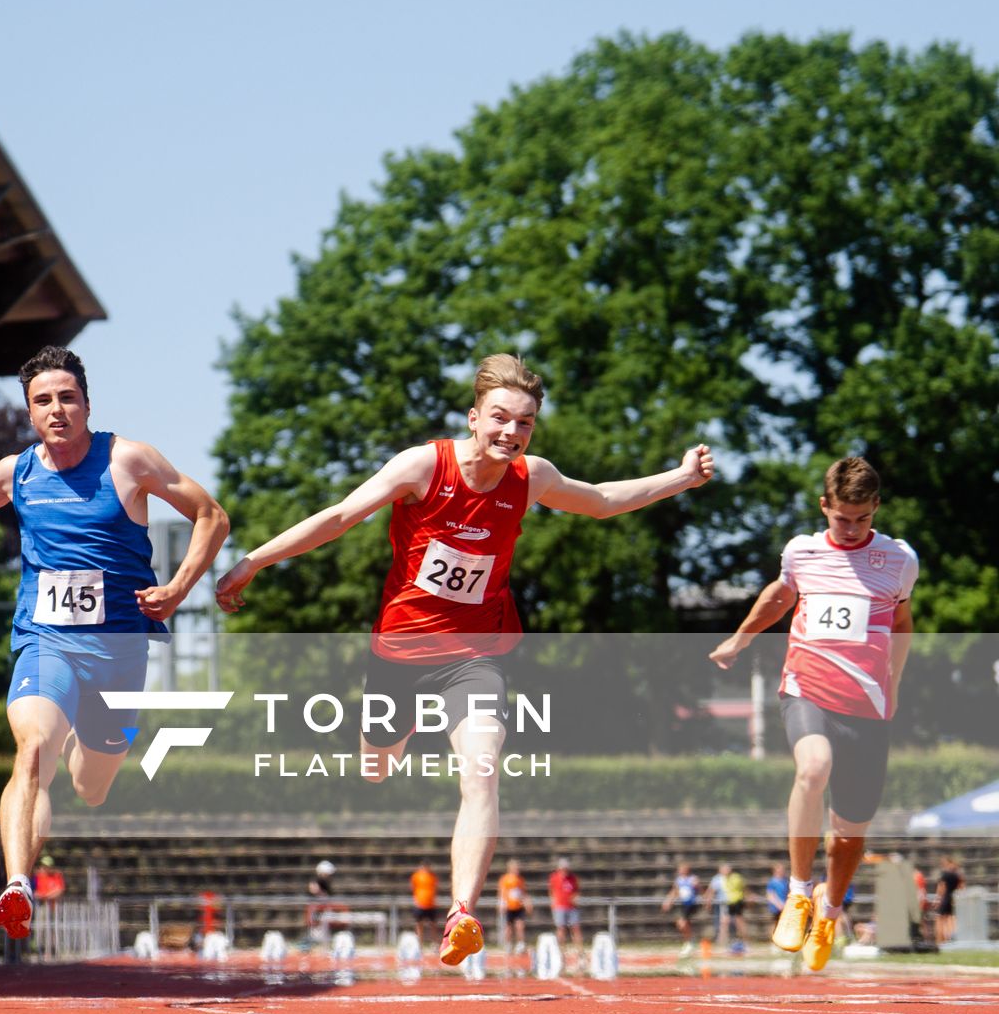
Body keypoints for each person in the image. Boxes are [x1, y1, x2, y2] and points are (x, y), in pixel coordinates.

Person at [216, 353, 714, 968]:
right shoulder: (425, 465)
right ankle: (401, 731)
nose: (512, 432)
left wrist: (681, 476)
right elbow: (342, 515)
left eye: (525, 423)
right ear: (474, 418)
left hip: (478, 654)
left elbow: (603, 498)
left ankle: (462, 914)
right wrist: (254, 560)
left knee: (481, 770)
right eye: (500, 418)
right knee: (377, 766)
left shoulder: (530, 477)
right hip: (399, 652)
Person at [0, 346, 229, 940]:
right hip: (46, 638)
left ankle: (93, 754)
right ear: (30, 413)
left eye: (67, 398)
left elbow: (211, 515)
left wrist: (179, 588)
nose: (57, 409)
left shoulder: (128, 460)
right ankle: (16, 883)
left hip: (119, 649)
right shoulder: (18, 472)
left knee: (91, 784)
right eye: (43, 401)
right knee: (33, 749)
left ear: (87, 404)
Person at [709, 456, 917, 972]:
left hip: (868, 707)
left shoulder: (898, 559)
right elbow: (780, 596)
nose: (850, 530)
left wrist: (893, 683)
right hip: (807, 689)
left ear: (876, 509)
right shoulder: (802, 552)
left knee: (847, 838)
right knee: (813, 767)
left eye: (862, 519)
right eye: (841, 518)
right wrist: (739, 640)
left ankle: (829, 911)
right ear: (824, 507)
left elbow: (903, 621)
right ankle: (800, 892)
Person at [661, 861, 704, 950]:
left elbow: (700, 890)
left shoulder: (693, 878)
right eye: (680, 869)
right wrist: (668, 902)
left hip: (691, 904)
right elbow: (674, 892)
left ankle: (689, 942)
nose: (681, 871)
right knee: (681, 924)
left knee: (682, 923)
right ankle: (690, 941)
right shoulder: (678, 880)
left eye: (683, 869)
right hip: (683, 904)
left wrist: (697, 887)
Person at [547, 856, 582, 960]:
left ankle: (579, 951)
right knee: (561, 929)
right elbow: (551, 891)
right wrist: (553, 902)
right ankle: (561, 951)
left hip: (572, 907)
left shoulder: (573, 878)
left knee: (575, 928)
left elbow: (576, 891)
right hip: (560, 907)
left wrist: (576, 898)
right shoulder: (554, 877)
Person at [497, 859, 529, 955]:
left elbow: (523, 892)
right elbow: (502, 892)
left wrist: (527, 903)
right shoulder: (505, 879)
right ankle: (508, 944)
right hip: (509, 907)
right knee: (509, 928)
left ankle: (521, 944)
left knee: (520, 926)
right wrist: (502, 904)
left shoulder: (520, 880)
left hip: (518, 906)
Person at [935, 856, 962, 945]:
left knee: (940, 919)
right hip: (953, 898)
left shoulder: (945, 875)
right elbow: (961, 887)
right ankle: (950, 939)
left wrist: (938, 899)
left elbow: (941, 888)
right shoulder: (957, 876)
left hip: (945, 898)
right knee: (950, 918)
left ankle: (940, 940)